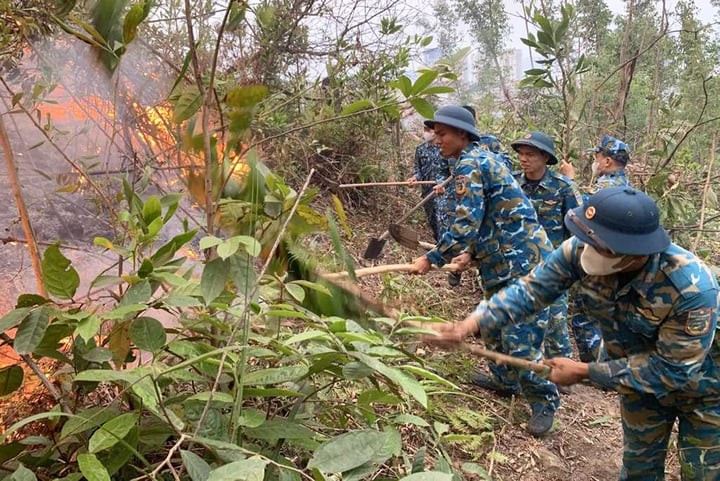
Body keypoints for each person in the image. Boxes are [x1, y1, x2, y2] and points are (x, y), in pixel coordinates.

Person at [428, 186, 720, 480]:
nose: (588, 250)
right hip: (635, 384)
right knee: (638, 469)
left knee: (702, 472)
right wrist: (471, 324)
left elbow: (671, 370)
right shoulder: (581, 249)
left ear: (634, 252)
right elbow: (531, 291)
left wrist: (583, 371)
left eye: (600, 246)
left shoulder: (691, 288)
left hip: (704, 392)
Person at [410, 105, 560, 436]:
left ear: (462, 134)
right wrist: (469, 256)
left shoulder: (471, 163)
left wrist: (432, 258)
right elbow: (490, 218)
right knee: (492, 327)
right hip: (499, 259)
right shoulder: (477, 159)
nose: (437, 141)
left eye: (442, 134)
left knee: (520, 335)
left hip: (522, 261)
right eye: (435, 134)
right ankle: (505, 381)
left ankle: (544, 402)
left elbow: (465, 224)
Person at [511, 132, 580, 366]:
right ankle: (517, 370)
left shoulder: (563, 188)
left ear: (545, 157)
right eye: (521, 154)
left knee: (555, 321)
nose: (523, 159)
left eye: (530, 154)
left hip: (554, 267)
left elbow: (579, 230)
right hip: (517, 263)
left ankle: (561, 372)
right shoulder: (511, 184)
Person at [561, 135, 632, 362]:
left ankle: (595, 369)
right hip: (619, 259)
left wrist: (569, 180)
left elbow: (583, 215)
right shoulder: (625, 185)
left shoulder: (607, 187)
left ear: (608, 161)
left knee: (584, 317)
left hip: (601, 259)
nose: (595, 161)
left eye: (597, 156)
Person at [407, 125, 444, 242]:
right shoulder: (420, 149)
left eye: (429, 130)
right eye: (425, 130)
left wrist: (444, 183)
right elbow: (418, 170)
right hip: (427, 193)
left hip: (443, 192)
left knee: (443, 221)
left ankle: (446, 248)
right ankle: (438, 245)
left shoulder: (444, 148)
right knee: (432, 221)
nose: (426, 132)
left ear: (435, 132)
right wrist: (414, 178)